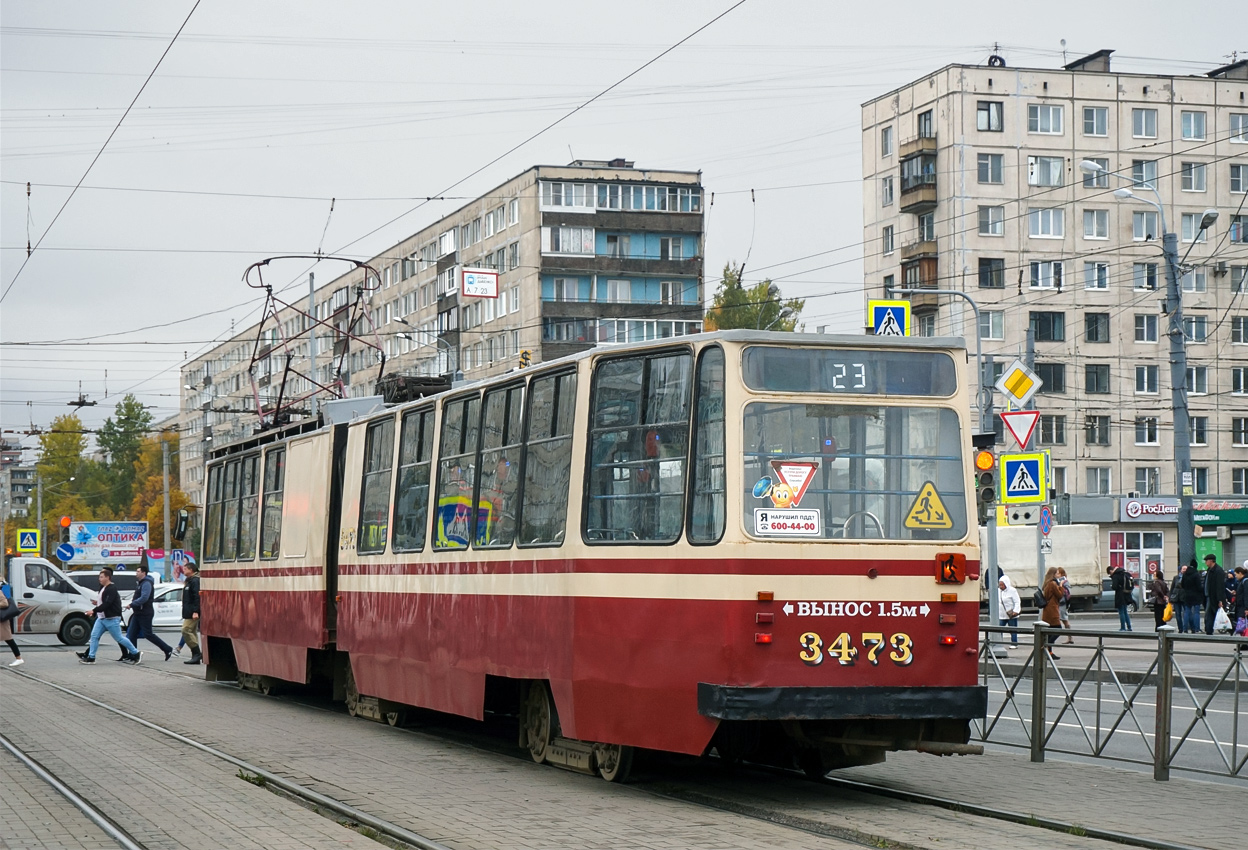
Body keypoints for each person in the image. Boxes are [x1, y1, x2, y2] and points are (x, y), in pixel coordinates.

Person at [78, 567, 141, 664]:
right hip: (101, 618)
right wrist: (97, 604)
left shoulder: (111, 588)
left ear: (107, 577)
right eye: (99, 577)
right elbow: (104, 602)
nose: (99, 579)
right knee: (94, 636)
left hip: (112, 618)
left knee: (119, 638)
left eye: (101, 577)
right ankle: (91, 657)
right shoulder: (103, 588)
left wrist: (93, 611)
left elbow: (108, 603)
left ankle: (136, 653)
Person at [125, 565, 174, 660]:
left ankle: (167, 649)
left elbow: (144, 597)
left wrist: (132, 604)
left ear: (143, 573)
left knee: (148, 634)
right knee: (131, 634)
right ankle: (133, 654)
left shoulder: (146, 583)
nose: (136, 573)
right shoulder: (140, 583)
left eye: (138, 571)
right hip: (138, 612)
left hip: (145, 612)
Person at [181, 562, 201, 665]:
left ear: (191, 570)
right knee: (192, 632)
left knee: (185, 630)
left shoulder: (195, 581)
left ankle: (197, 653)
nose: (183, 570)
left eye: (185, 569)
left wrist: (196, 611)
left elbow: (197, 597)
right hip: (189, 611)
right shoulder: (189, 580)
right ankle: (195, 656)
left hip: (193, 612)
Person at [1, 574, 23, 667]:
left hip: (1, 622)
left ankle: (19, 658)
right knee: (8, 639)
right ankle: (18, 658)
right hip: (2, 621)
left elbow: (5, 603)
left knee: (9, 639)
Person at [1040, 567, 1063, 659]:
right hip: (1052, 610)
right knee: (1058, 629)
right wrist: (1061, 586)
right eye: (1057, 573)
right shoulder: (1053, 583)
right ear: (1053, 574)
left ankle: (1049, 652)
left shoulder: (1047, 583)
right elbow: (1060, 595)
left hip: (1047, 610)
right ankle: (1045, 647)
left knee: (1050, 632)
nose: (1058, 575)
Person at [1202, 554, 1227, 636]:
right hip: (1208, 596)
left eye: (1206, 561)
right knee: (1209, 613)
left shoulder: (1218, 571)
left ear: (1211, 561)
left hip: (1213, 596)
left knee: (1210, 614)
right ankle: (1208, 629)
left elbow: (1220, 586)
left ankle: (1209, 630)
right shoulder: (1209, 570)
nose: (1205, 562)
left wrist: (1220, 599)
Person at [1179, 560, 1204, 634]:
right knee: (1196, 612)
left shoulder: (1185, 574)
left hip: (1187, 595)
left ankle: (1185, 628)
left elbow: (1182, 585)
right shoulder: (1196, 574)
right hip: (1196, 595)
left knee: (1187, 611)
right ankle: (1196, 628)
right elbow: (1199, 586)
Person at [1108, 564, 1134, 632]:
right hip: (1126, 594)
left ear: (1111, 571)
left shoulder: (1116, 575)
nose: (1110, 574)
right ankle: (1129, 627)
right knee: (1125, 612)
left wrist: (1112, 586)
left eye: (1109, 573)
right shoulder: (1124, 573)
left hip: (1120, 595)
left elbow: (1115, 586)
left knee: (1121, 612)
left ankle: (1123, 628)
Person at [997, 575, 1021, 648]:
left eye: (1002, 585)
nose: (1000, 586)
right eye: (1000, 584)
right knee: (999, 629)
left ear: (1006, 584)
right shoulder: (998, 591)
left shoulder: (1012, 590)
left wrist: (1016, 611)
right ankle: (998, 643)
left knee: (1013, 629)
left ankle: (1014, 643)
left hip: (1011, 614)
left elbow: (1017, 601)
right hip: (1001, 614)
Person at [1056, 567, 1074, 644]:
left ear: (1061, 574)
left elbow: (1067, 593)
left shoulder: (1064, 582)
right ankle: (1070, 637)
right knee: (1063, 620)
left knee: (1063, 619)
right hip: (1060, 603)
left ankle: (1070, 637)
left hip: (1062, 603)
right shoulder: (1058, 581)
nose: (1056, 575)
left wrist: (1060, 586)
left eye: (1058, 573)